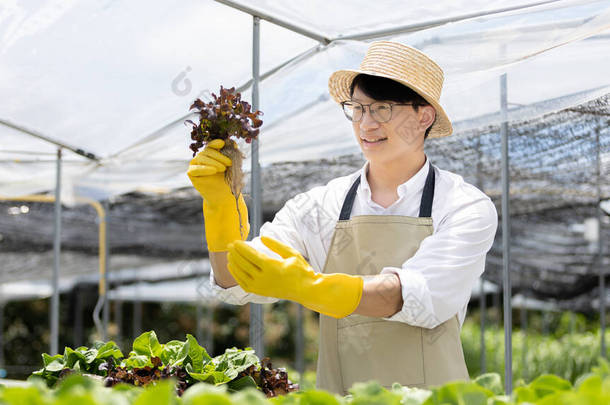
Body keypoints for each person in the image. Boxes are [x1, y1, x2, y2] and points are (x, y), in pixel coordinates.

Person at [187, 41, 498, 395]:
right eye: (357, 108)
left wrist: (309, 286)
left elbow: (418, 298)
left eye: (381, 108)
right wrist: (220, 210)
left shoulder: (464, 206)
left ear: (423, 116)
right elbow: (237, 283)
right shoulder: (320, 205)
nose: (365, 123)